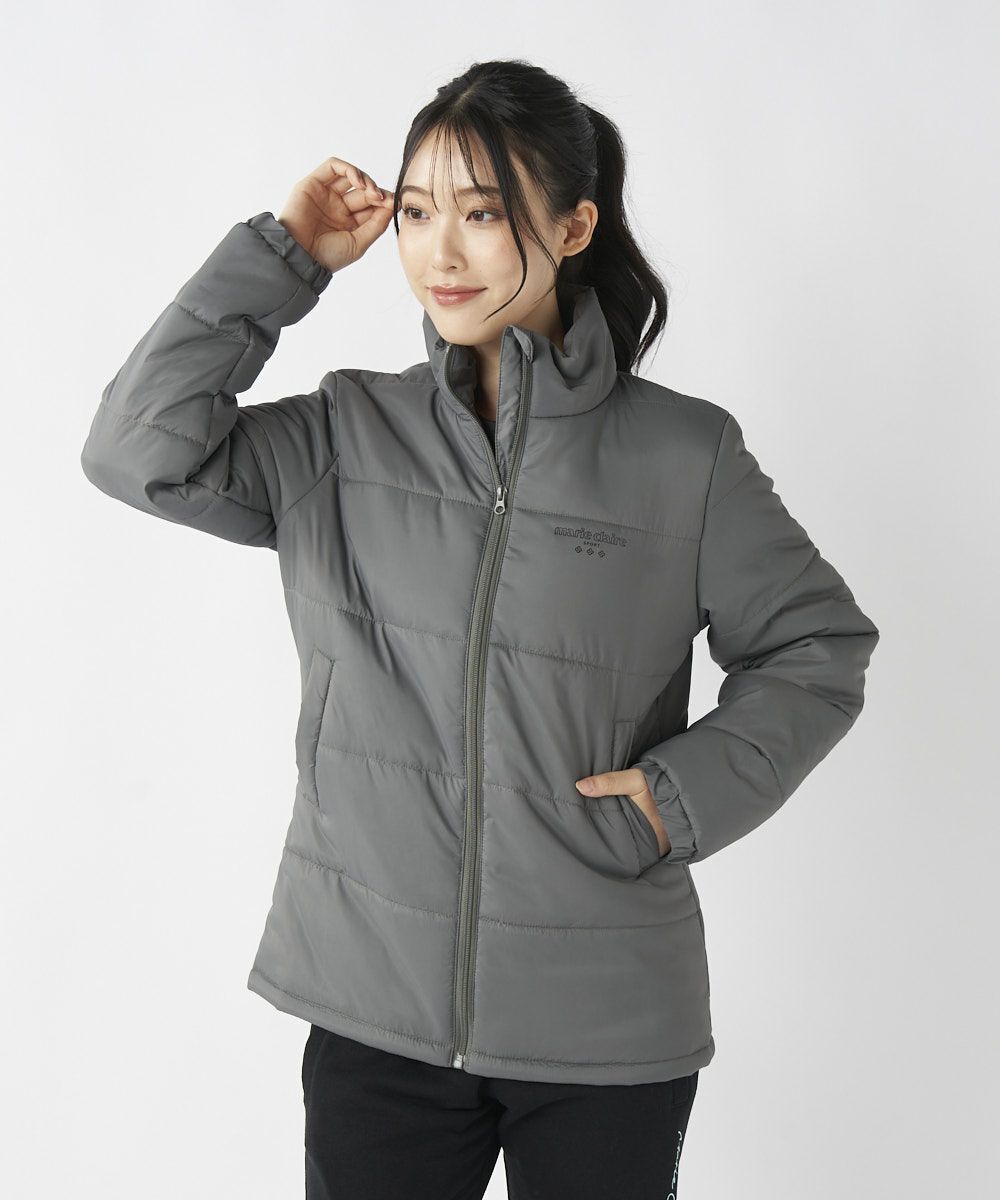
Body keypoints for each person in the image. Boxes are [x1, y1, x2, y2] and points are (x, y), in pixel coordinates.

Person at [80, 58, 879, 1200]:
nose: (439, 253)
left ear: (574, 227)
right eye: (415, 213)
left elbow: (816, 647)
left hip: (605, 1021)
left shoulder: (684, 456)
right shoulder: (345, 436)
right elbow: (136, 453)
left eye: (482, 213)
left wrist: (678, 799)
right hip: (375, 1009)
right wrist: (286, 255)